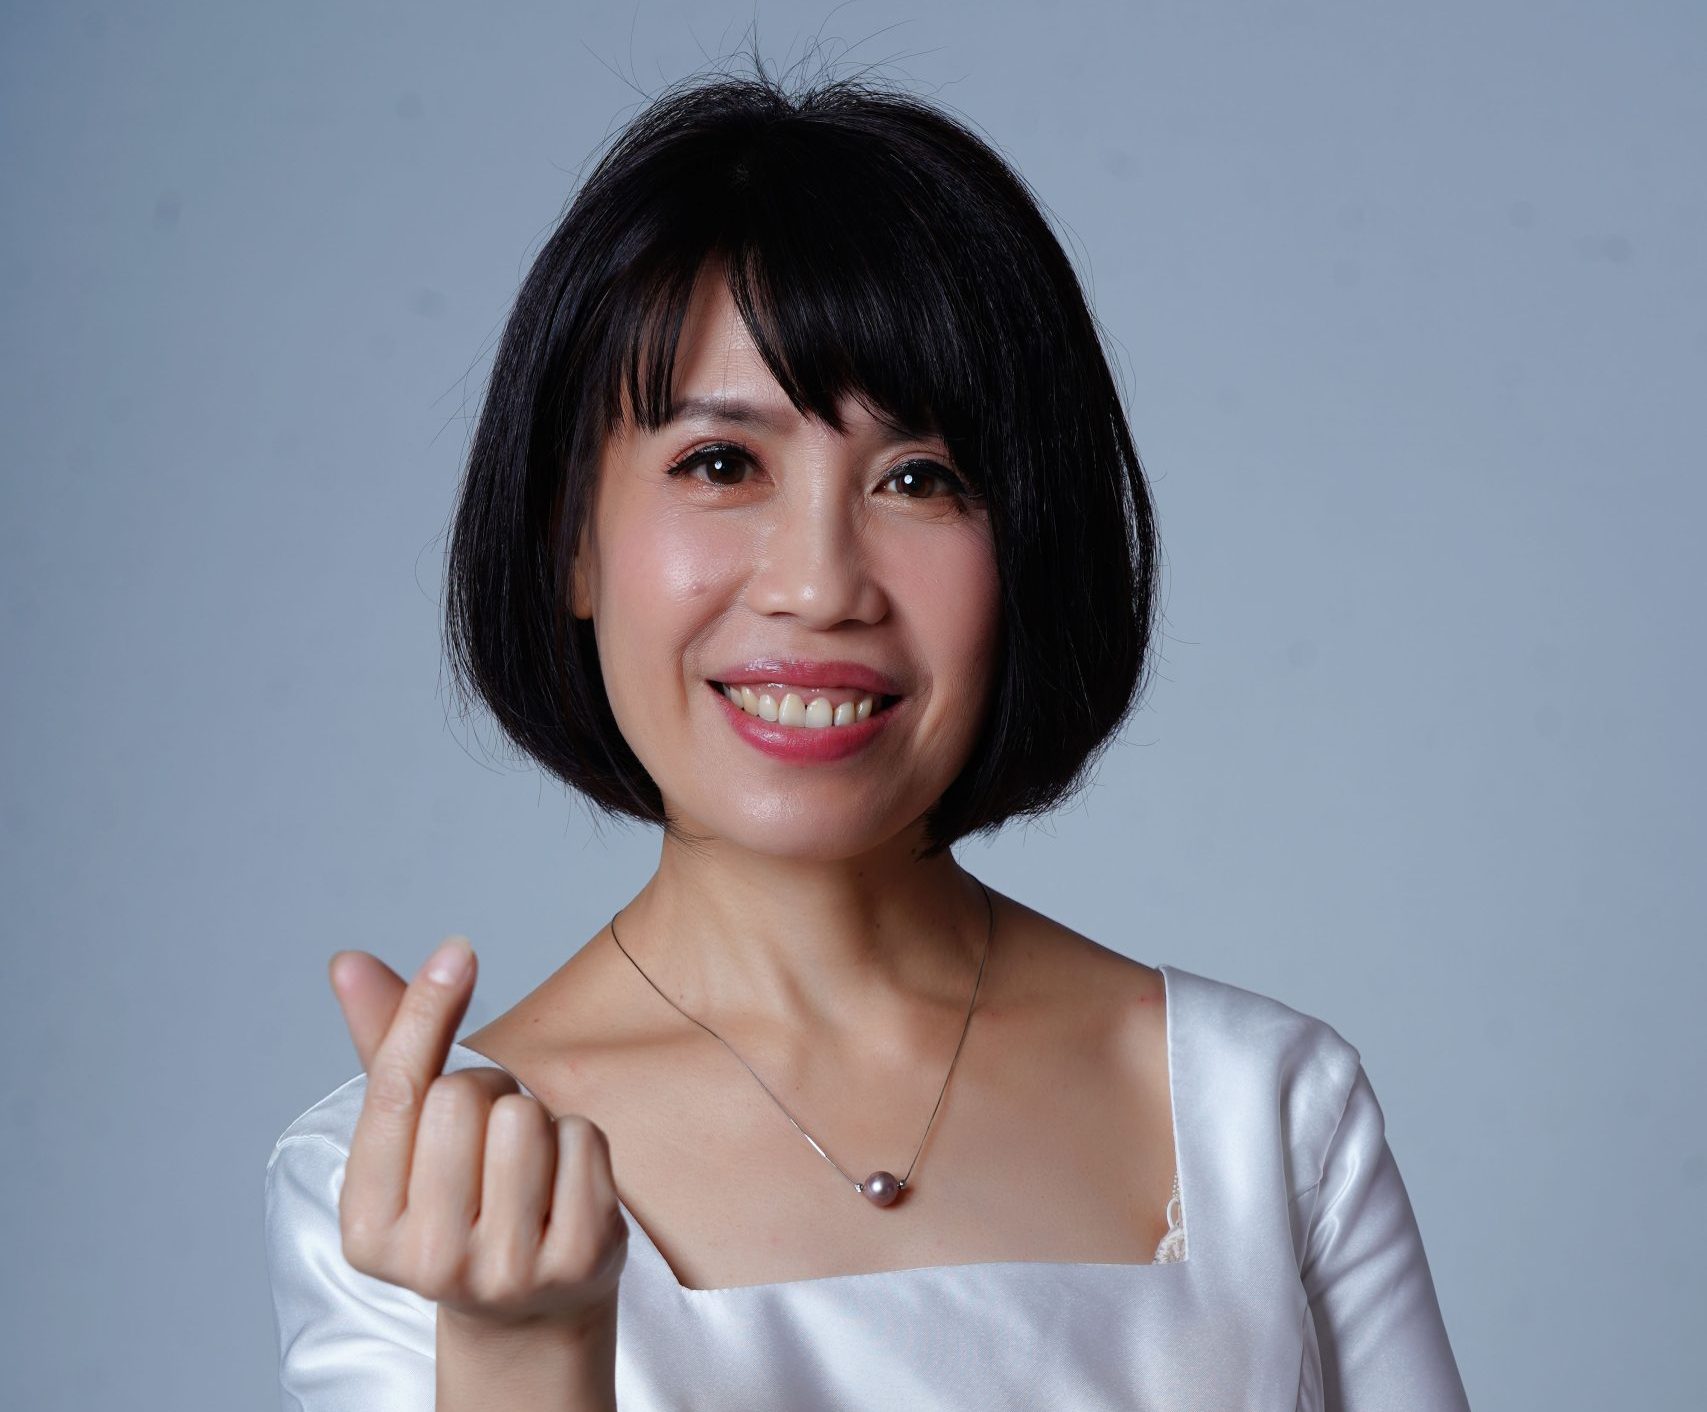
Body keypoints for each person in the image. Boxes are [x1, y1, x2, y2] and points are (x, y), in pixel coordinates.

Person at [263, 62, 1472, 1411]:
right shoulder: (421, 1182)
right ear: (570, 541)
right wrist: (519, 1347)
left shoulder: (1268, 1114)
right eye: (720, 464)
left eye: (919, 479)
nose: (821, 583)